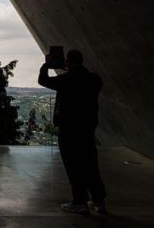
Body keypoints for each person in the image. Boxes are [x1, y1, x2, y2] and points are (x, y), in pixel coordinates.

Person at [38, 49, 106, 215]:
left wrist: (47, 64)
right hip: (87, 129)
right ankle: (99, 201)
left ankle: (79, 202)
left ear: (69, 62)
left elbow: (43, 80)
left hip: (69, 129)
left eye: (66, 61)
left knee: (74, 166)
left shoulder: (66, 79)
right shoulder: (94, 80)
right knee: (91, 165)